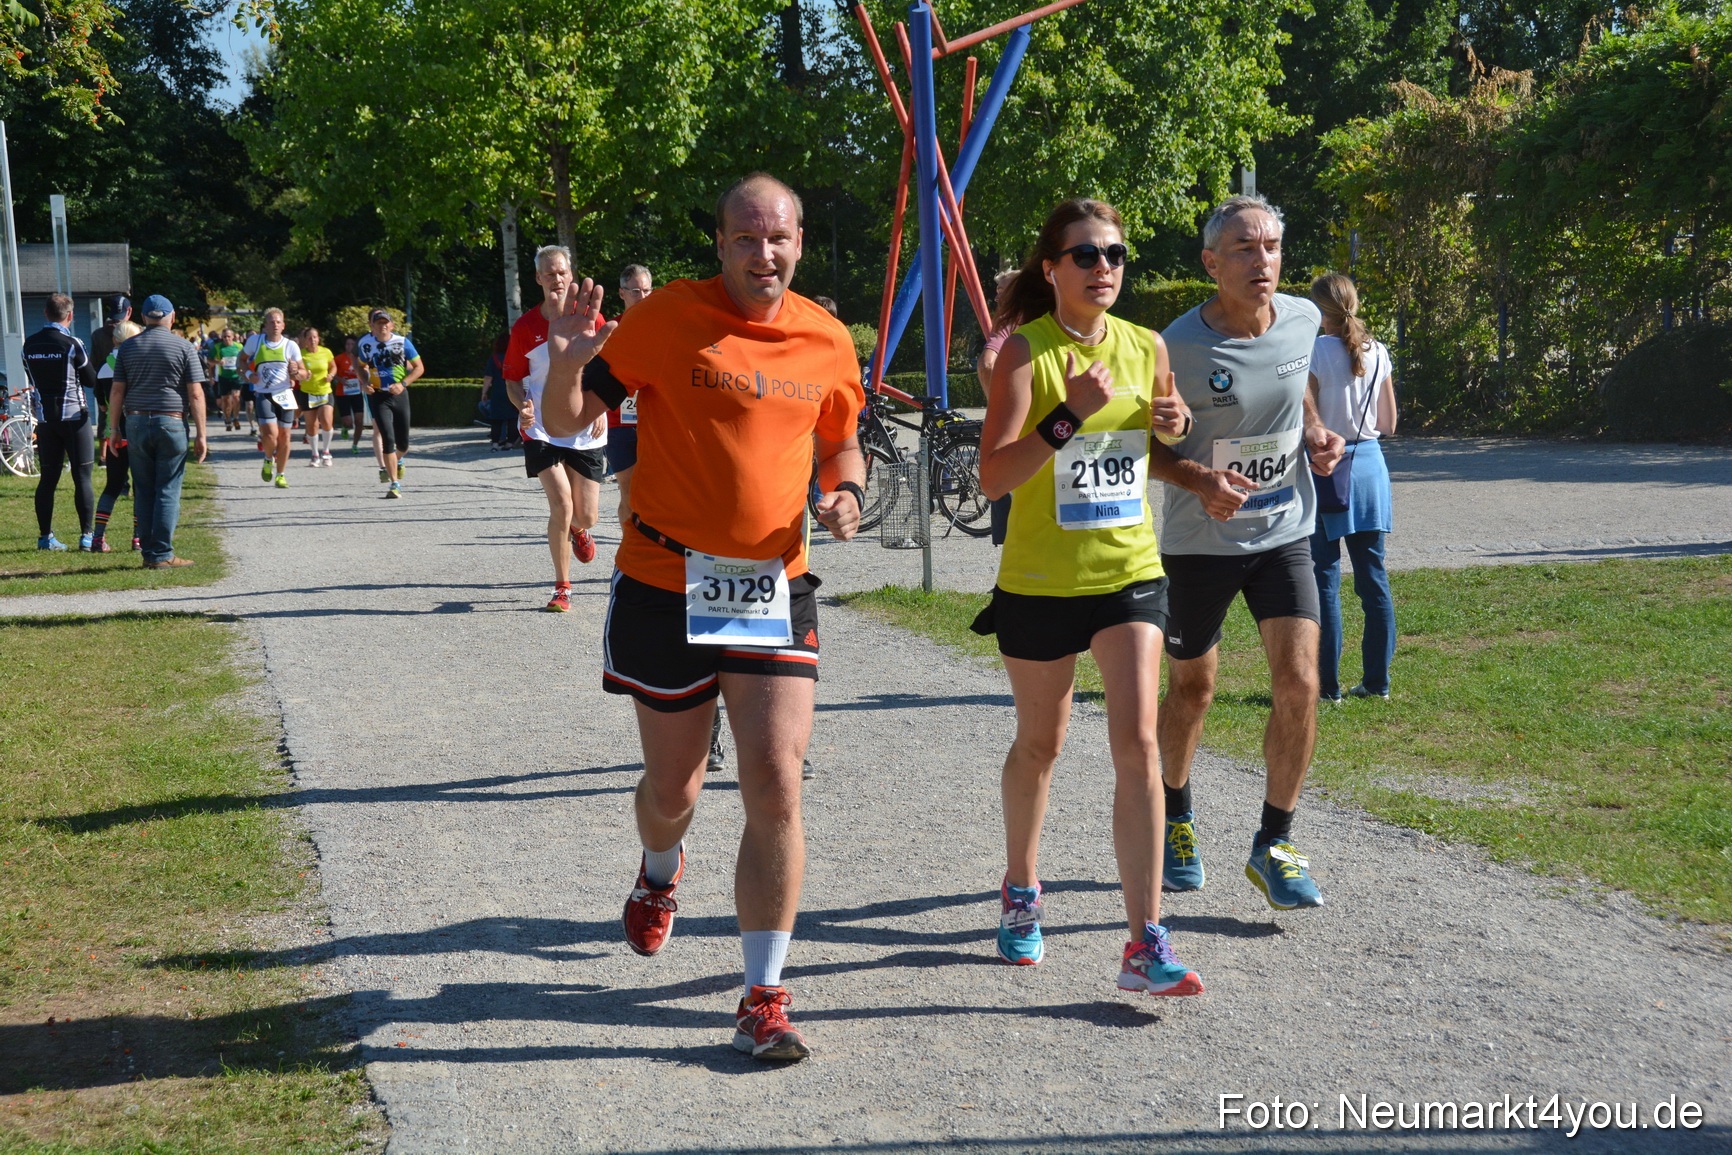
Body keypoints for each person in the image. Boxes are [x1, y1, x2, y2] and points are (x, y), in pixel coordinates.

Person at [539, 172, 865, 1063]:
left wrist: (845, 491)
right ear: (720, 244)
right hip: (664, 580)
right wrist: (567, 358)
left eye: (780, 238)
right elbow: (566, 419)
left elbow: (842, 438)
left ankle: (764, 995)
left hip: (772, 582)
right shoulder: (666, 318)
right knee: (673, 791)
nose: (765, 254)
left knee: (776, 778)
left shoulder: (826, 337)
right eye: (746, 238)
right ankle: (659, 870)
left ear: (799, 243)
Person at [970, 198, 1203, 994]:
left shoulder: (1147, 345)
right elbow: (993, 476)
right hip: (1040, 581)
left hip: (1129, 571)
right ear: (1051, 269)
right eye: (1086, 254)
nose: (1104, 266)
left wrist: (1177, 423)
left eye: (1115, 253)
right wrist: (1068, 414)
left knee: (1137, 743)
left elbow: (1154, 442)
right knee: (1042, 744)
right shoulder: (1024, 353)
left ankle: (1145, 940)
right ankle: (1020, 888)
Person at [1148, 194, 1346, 911]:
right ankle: (1175, 814)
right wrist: (1198, 479)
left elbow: (1300, 389)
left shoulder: (1302, 317)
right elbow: (1141, 446)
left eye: (1271, 246)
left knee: (1301, 683)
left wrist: (1315, 432)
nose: (1263, 260)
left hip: (1284, 531)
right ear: (1211, 262)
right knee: (1192, 690)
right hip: (1199, 542)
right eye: (1244, 248)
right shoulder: (1174, 346)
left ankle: (1275, 842)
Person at [1306, 274, 1398, 703]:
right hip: (1370, 467)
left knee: (1325, 579)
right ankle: (1377, 683)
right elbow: (1388, 422)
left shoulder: (1314, 351)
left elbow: (1306, 417)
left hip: (1327, 467)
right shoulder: (1378, 351)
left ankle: (1328, 687)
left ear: (1318, 310)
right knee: (1373, 578)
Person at [506, 245, 608, 609]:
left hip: (584, 425)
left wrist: (598, 406)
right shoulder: (525, 327)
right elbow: (512, 379)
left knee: (586, 515)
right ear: (538, 278)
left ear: (571, 274)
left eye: (562, 272)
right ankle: (562, 587)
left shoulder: (590, 317)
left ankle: (579, 530)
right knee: (561, 505)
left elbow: (607, 367)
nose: (557, 279)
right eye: (549, 273)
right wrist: (523, 406)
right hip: (541, 428)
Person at [110, 294, 208, 568]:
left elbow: (117, 391)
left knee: (143, 490)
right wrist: (202, 434)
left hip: (136, 422)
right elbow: (196, 394)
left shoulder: (128, 348)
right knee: (167, 488)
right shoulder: (184, 347)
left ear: (143, 317)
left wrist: (114, 428)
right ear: (172, 317)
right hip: (171, 422)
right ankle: (162, 553)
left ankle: (149, 553)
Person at [22, 294, 98, 551]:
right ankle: (87, 537)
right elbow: (90, 380)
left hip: (46, 420)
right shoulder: (73, 343)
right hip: (75, 419)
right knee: (82, 477)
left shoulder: (29, 344)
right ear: (71, 316)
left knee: (48, 479)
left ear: (45, 313)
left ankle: (45, 537)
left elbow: (33, 375)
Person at [601, 264, 653, 522]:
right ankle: (628, 545)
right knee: (629, 492)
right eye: (635, 291)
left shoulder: (663, 328)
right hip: (619, 423)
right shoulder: (611, 330)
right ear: (622, 293)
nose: (642, 297)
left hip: (656, 421)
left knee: (657, 493)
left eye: (646, 290)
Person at [356, 309, 422, 497]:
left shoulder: (402, 342)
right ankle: (394, 484)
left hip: (399, 395)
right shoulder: (366, 345)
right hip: (378, 396)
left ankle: (398, 460)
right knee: (387, 439)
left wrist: (403, 384)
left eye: (386, 323)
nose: (382, 326)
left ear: (392, 325)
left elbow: (419, 368)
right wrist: (365, 383)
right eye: (379, 323)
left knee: (403, 445)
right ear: (372, 326)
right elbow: (360, 366)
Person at [240, 308, 308, 488]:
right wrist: (249, 374)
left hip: (285, 394)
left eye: (278, 322)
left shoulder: (290, 346)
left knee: (285, 436)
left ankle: (280, 475)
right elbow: (241, 360)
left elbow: (303, 372)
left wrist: (296, 373)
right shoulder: (255, 341)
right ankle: (268, 458)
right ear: (265, 326)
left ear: (283, 325)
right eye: (271, 322)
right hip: (264, 394)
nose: (275, 325)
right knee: (270, 434)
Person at [92, 317, 144, 552]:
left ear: (114, 340)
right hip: (138, 431)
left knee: (112, 486)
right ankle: (138, 538)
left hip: (114, 434)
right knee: (141, 487)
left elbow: (102, 405)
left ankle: (98, 538)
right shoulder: (139, 364)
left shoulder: (104, 367)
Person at [298, 328, 338, 466]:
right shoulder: (300, 354)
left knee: (326, 421)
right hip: (307, 392)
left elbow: (333, 367)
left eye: (315, 337)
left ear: (318, 338)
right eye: (309, 338)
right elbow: (295, 371)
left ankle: (326, 451)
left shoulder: (326, 352)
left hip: (324, 391)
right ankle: (315, 454)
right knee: (311, 425)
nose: (313, 340)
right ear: (305, 340)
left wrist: (331, 375)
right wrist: (302, 375)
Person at [332, 335, 367, 451]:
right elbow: (331, 371)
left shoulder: (360, 358)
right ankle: (345, 428)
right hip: (343, 393)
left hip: (357, 392)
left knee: (359, 421)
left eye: (352, 344)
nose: (350, 346)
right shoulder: (339, 358)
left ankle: (355, 445)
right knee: (348, 422)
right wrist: (340, 379)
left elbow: (366, 370)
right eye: (348, 344)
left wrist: (363, 380)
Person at [208, 328, 246, 431]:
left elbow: (244, 359)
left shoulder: (239, 346)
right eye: (224, 336)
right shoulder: (217, 347)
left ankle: (236, 417)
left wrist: (244, 370)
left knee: (236, 397)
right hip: (223, 377)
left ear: (233, 337)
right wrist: (217, 363)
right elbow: (209, 360)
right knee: (226, 400)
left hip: (236, 376)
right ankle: (228, 419)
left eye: (229, 336)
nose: (226, 338)